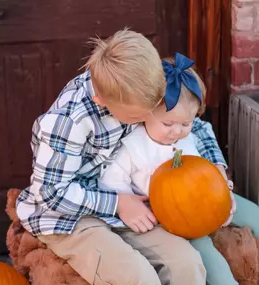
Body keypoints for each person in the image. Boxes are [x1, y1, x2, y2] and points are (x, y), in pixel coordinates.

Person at [16, 29, 231, 285]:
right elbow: (51, 194)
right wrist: (117, 203)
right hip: (70, 217)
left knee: (187, 264)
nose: (145, 119)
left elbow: (192, 124)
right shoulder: (65, 124)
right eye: (137, 117)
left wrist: (217, 165)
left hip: (124, 200)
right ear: (101, 100)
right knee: (139, 278)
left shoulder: (140, 81)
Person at [99, 52, 259, 285]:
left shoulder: (189, 134)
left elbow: (207, 165)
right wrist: (128, 203)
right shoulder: (132, 147)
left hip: (209, 198)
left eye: (186, 123)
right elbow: (112, 185)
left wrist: (223, 187)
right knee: (210, 261)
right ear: (147, 112)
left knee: (254, 215)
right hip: (175, 219)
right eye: (168, 124)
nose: (177, 132)